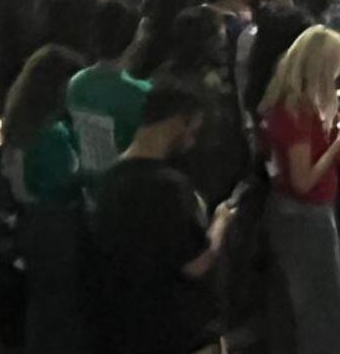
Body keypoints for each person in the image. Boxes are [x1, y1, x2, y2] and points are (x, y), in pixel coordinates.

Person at [90, 84, 236, 354]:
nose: (193, 140)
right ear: (178, 121)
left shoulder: (108, 180)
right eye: (193, 130)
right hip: (174, 330)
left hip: (124, 328)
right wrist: (221, 222)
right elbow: (196, 265)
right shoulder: (169, 188)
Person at [258, 25, 340, 354]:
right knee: (323, 309)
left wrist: (335, 126)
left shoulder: (290, 101)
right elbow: (303, 181)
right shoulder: (296, 114)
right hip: (305, 214)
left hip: (297, 209)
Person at [0, 44, 89, 354]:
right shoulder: (52, 135)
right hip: (57, 228)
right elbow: (65, 182)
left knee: (43, 306)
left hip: (31, 225)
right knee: (64, 309)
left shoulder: (20, 124)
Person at [66, 0, 150, 181]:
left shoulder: (76, 83)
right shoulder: (140, 92)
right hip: (125, 183)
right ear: (134, 37)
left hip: (89, 182)